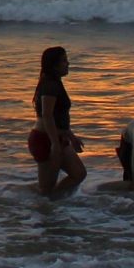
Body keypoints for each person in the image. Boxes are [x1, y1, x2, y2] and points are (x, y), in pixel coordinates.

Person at [28, 46, 86, 199]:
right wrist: (54, 144)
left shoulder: (55, 82)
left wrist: (70, 136)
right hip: (45, 139)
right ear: (54, 65)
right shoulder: (50, 85)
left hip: (57, 137)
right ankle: (41, 212)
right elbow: (47, 116)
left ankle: (54, 204)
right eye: (64, 61)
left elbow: (58, 118)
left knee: (78, 174)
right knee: (45, 191)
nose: (68, 64)